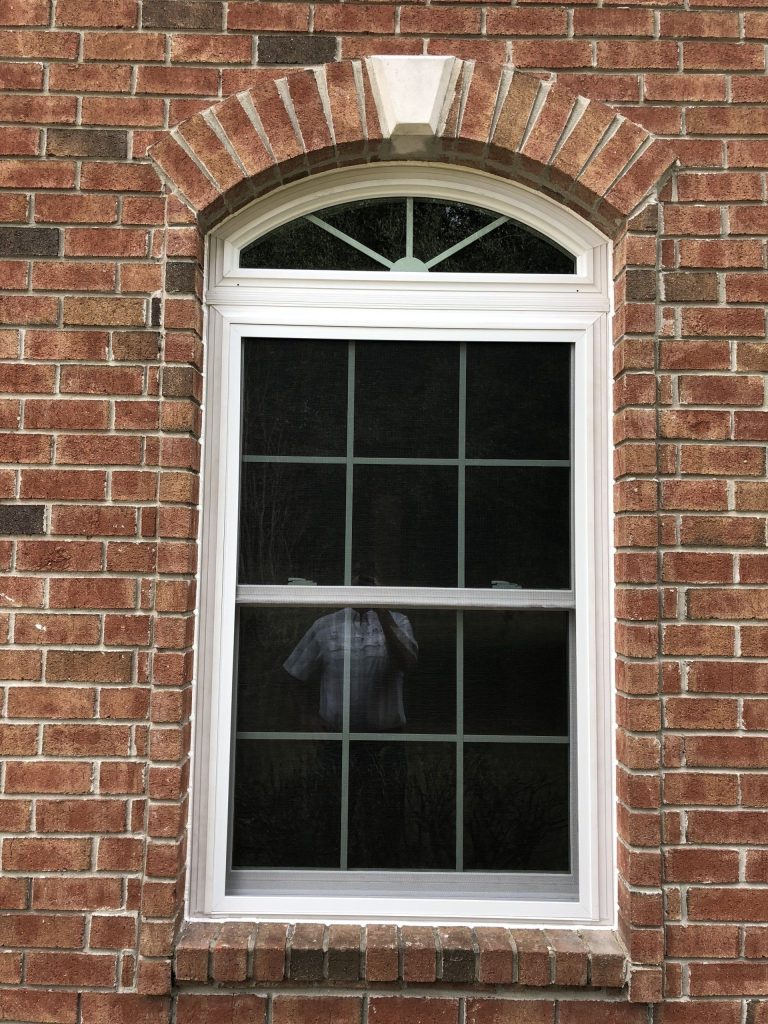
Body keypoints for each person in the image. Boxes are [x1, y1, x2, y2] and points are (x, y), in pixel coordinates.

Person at [282, 568, 417, 732]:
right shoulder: (326, 625)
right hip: (335, 736)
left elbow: (408, 663)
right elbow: (294, 672)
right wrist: (309, 716)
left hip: (387, 736)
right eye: (359, 580)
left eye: (369, 581)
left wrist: (381, 607)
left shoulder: (398, 622)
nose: (363, 586)